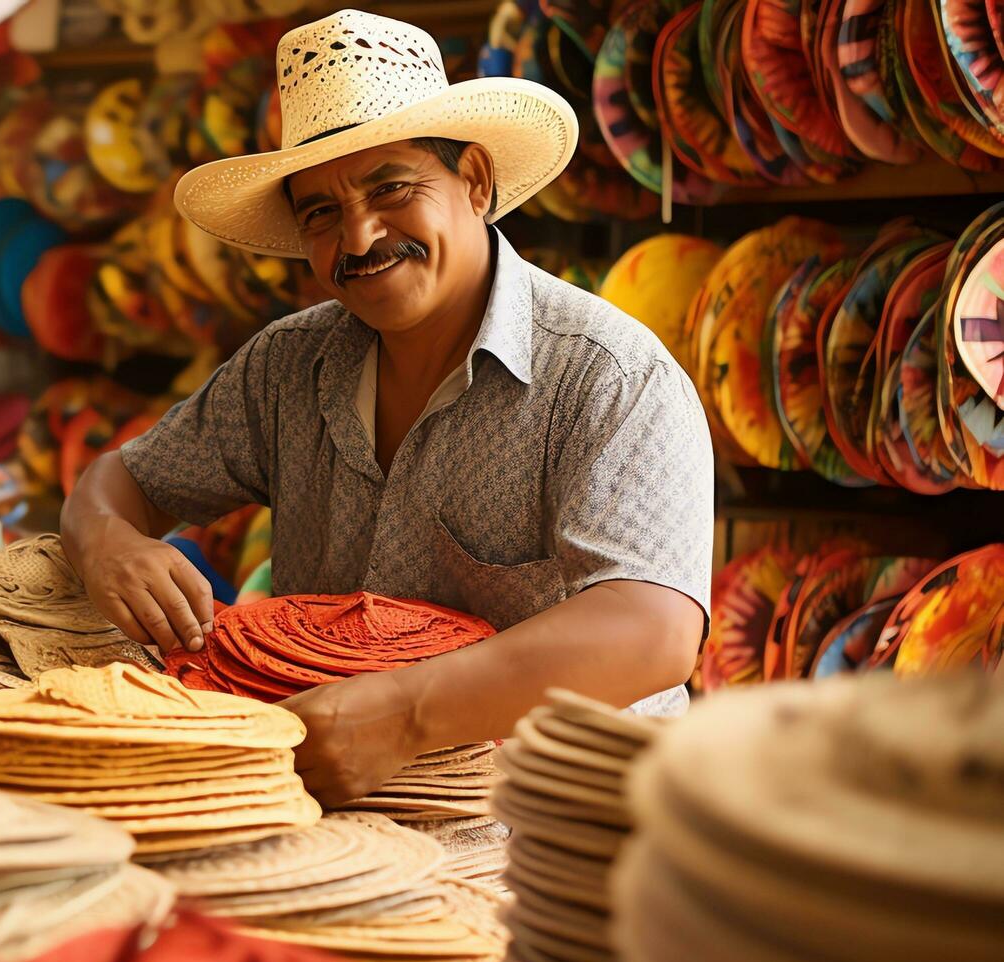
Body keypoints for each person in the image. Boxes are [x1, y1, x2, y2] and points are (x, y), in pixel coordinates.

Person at [60, 10, 713, 806]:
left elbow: (652, 631)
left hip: (561, 819)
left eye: (391, 188)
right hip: (338, 807)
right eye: (321, 214)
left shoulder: (605, 374)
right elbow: (124, 482)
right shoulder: (287, 366)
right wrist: (104, 543)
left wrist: (403, 716)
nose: (361, 236)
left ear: (474, 181)